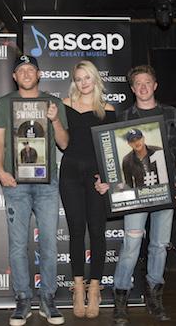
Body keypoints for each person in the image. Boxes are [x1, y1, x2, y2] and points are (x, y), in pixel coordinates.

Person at [95, 64, 176, 325]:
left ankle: (155, 299)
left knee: (159, 245)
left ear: (155, 85)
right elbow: (112, 158)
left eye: (148, 82)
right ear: (132, 88)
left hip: (165, 191)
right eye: (138, 83)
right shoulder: (124, 117)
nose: (143, 87)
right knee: (132, 245)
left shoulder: (171, 113)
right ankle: (121, 299)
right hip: (135, 195)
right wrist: (108, 183)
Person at [0, 54, 69, 326]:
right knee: (17, 245)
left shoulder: (53, 103)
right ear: (15, 76)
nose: (26, 73)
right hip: (15, 184)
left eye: (31, 69)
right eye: (21, 69)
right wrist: (1, 171)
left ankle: (48, 298)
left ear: (39, 74)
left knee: (49, 242)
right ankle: (23, 297)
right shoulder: (4, 104)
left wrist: (56, 119)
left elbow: (64, 144)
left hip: (47, 183)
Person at [59, 60, 115, 319]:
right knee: (77, 231)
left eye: (87, 78)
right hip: (69, 172)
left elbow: (111, 150)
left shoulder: (107, 109)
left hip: (96, 176)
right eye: (78, 78)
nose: (83, 83)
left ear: (95, 79)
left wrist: (106, 179)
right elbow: (61, 142)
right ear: (74, 81)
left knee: (97, 231)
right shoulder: (65, 105)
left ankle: (95, 289)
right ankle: (78, 288)